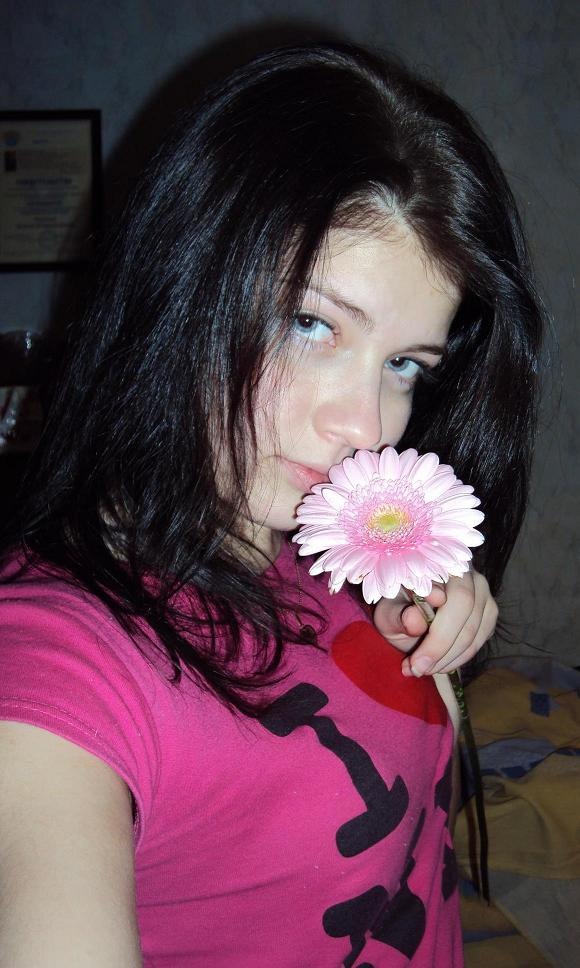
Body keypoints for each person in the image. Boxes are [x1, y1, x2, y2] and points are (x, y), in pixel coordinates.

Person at [0, 42, 543, 967]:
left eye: (403, 365)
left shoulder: (322, 543)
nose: (365, 426)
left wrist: (431, 634)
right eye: (310, 322)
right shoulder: (58, 664)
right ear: (185, 285)